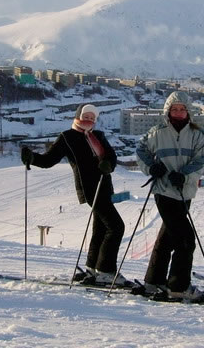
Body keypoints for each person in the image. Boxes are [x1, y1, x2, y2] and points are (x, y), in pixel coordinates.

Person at [20, 104, 128, 286]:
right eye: (86, 116)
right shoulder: (68, 137)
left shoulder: (98, 136)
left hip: (104, 187)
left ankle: (92, 268)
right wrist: (33, 158)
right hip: (88, 188)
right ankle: (106, 271)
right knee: (116, 227)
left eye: (93, 117)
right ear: (78, 115)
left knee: (101, 228)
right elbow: (49, 160)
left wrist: (109, 164)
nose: (89, 120)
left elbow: (111, 156)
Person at [136, 91, 204, 300]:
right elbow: (141, 150)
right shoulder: (157, 132)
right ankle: (178, 286)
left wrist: (185, 176)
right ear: (167, 111)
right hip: (164, 190)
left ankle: (154, 281)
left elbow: (201, 160)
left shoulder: (197, 135)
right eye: (174, 109)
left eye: (182, 109)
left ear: (188, 111)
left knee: (167, 237)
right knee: (185, 239)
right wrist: (152, 168)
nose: (178, 112)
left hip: (185, 192)